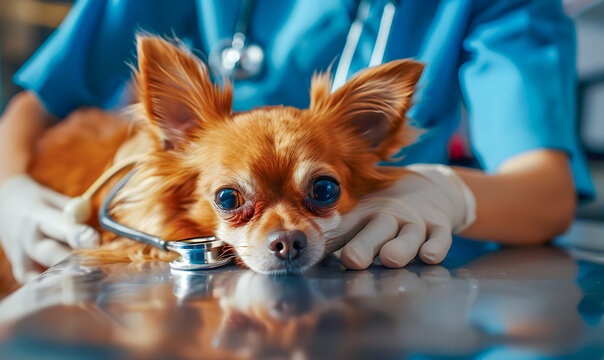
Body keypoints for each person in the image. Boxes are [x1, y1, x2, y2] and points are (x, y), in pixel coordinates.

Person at [0, 0, 593, 283]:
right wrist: (9, 190)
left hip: (380, 270)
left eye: (322, 189)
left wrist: (448, 192)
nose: (283, 231)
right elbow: (36, 105)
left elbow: (546, 193)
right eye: (235, 199)